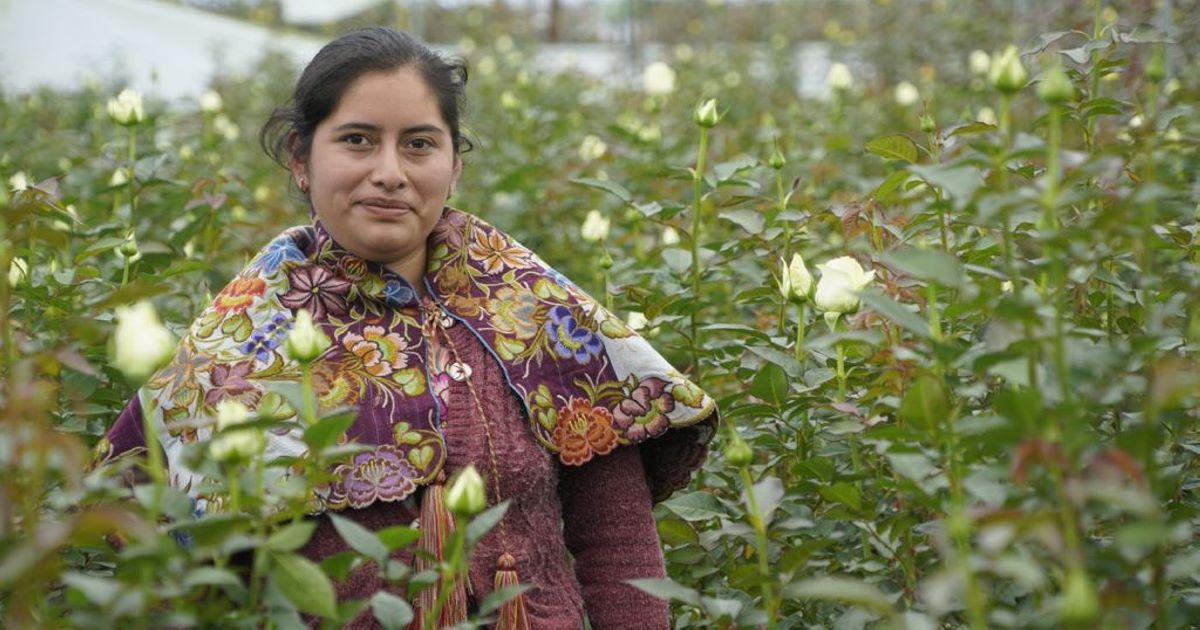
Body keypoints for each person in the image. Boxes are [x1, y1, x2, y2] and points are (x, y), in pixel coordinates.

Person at [99, 27, 716, 629]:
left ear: (454, 166)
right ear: (300, 159)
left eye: (419, 143)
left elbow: (617, 542)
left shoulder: (535, 311)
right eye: (358, 140)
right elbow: (164, 565)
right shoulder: (241, 343)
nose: (390, 171)